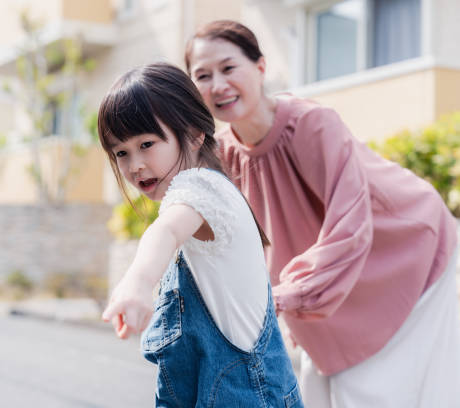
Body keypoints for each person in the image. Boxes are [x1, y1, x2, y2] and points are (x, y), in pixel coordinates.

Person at [185, 19, 460, 407]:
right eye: (203, 76)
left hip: (406, 248)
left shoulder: (310, 124)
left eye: (229, 68)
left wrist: (284, 296)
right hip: (329, 285)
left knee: (381, 389)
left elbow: (351, 226)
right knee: (326, 388)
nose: (217, 85)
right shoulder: (225, 154)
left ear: (260, 67)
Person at [99, 62, 304, 407]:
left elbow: (164, 231)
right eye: (122, 152)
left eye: (146, 144)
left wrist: (136, 282)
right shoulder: (201, 194)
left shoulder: (202, 187)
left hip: (247, 394)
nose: (134, 165)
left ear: (194, 134)